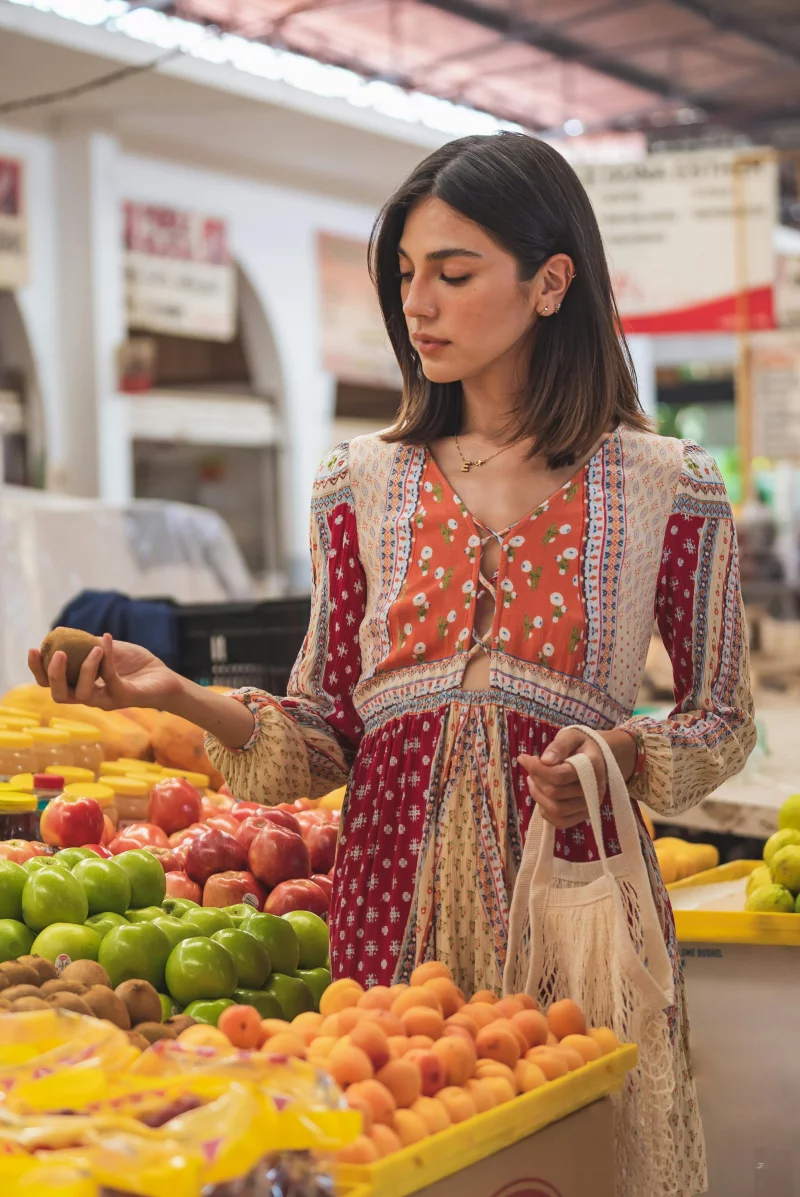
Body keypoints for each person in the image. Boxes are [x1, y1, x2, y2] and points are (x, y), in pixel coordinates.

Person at [30, 133, 754, 1195]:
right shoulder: (355, 484)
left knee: (566, 1161)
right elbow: (322, 735)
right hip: (383, 903)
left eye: (452, 274)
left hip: (568, 898)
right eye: (405, 275)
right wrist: (176, 695)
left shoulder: (665, 485)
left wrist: (621, 756)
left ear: (550, 282)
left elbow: (722, 719)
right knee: (391, 1140)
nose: (417, 303)